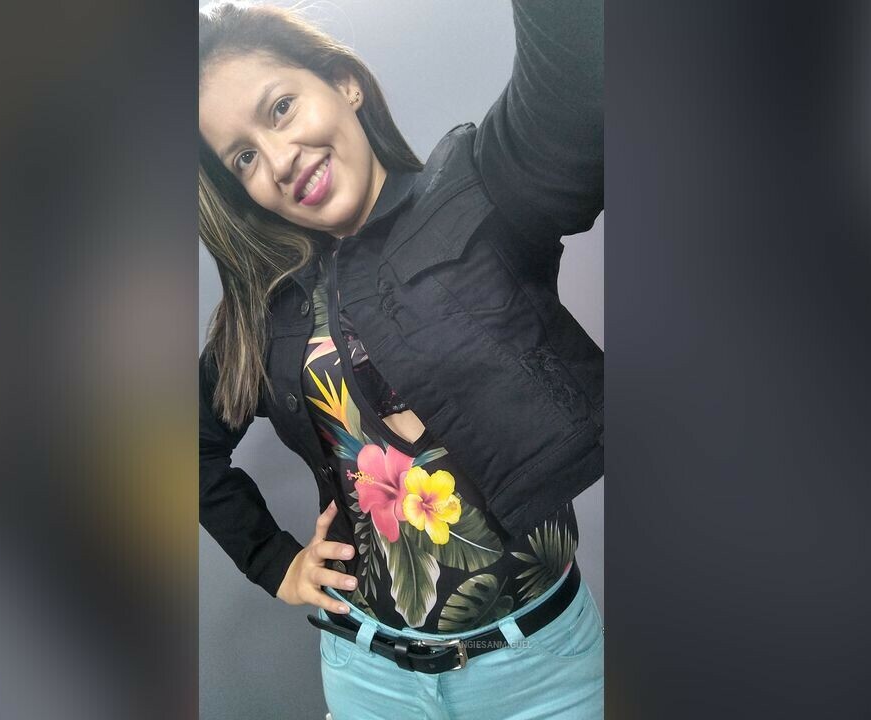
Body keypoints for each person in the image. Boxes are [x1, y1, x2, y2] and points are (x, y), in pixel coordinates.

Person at [198, 1, 604, 716]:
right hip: (370, 679)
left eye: (282, 108)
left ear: (344, 83)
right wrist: (273, 561)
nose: (280, 159)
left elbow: (580, 80)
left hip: (543, 675)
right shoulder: (269, 311)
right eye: (245, 157)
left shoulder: (480, 190)